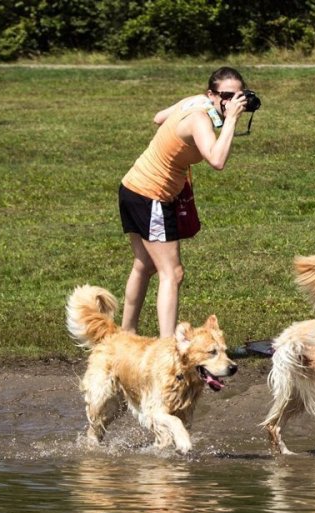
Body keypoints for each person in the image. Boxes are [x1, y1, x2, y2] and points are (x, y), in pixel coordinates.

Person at [117, 66, 249, 338]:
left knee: (145, 265)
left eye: (239, 96)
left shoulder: (195, 102)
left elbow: (158, 118)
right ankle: (168, 347)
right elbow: (217, 160)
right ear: (211, 94)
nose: (231, 102)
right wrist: (232, 120)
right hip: (151, 194)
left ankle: (126, 335)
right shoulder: (201, 119)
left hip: (133, 186)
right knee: (172, 273)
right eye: (226, 96)